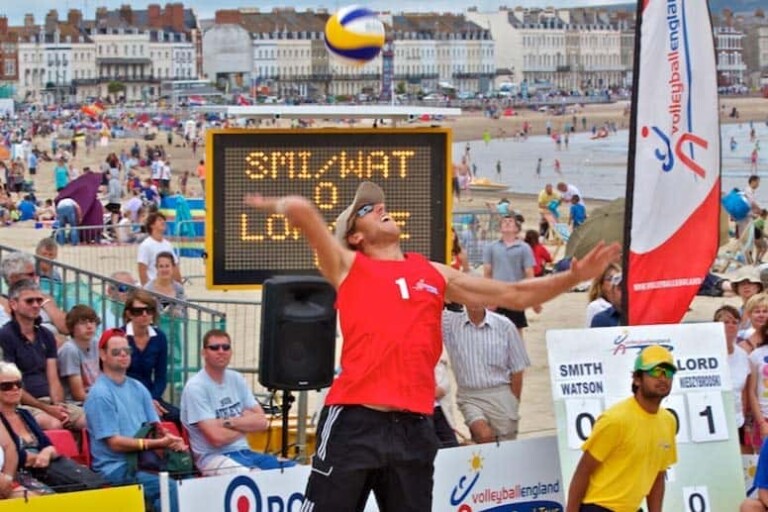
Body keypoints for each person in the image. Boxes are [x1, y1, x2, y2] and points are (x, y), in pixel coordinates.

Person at [243, 181, 618, 511]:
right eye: (366, 209)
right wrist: (287, 206)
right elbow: (308, 218)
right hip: (356, 420)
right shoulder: (348, 266)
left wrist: (574, 276)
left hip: (414, 426)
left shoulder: (432, 272)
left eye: (378, 204)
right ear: (356, 236)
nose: (379, 207)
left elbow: (514, 294)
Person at [84, 328, 184, 512]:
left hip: (143, 462)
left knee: (187, 479)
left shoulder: (138, 387)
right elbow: (115, 443)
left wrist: (172, 441)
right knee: (170, 489)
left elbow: (157, 428)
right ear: (103, 355)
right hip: (116, 468)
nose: (123, 355)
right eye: (116, 352)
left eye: (127, 351)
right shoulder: (100, 394)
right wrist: (156, 444)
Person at [567, 346, 677, 512]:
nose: (663, 378)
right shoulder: (615, 419)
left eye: (668, 373)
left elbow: (658, 477)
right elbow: (583, 471)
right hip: (599, 506)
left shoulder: (668, 421)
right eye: (655, 372)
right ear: (637, 379)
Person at [180, 329, 293, 475]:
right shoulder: (196, 387)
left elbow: (262, 422)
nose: (221, 351)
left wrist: (227, 422)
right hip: (212, 458)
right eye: (214, 347)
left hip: (244, 451)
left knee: (294, 470)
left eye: (226, 347)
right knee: (254, 478)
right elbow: (216, 438)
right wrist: (246, 423)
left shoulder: (237, 379)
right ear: (204, 353)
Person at [0, 361, 105, 494]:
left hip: (46, 469)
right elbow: (10, 456)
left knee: (90, 485)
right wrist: (35, 457)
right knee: (51, 495)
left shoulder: (24, 414)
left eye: (18, 384)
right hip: (19, 474)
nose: (15, 388)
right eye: (6, 386)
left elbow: (49, 446)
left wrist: (45, 453)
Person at [0, 280, 85, 431]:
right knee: (54, 424)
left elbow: (53, 378)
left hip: (49, 402)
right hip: (21, 404)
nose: (36, 305)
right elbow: (11, 385)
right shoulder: (5, 336)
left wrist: (57, 406)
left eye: (39, 300)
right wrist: (47, 409)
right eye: (29, 301)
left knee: (90, 420)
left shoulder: (46, 335)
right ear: (13, 304)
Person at [442, 304, 530, 443]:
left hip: (501, 393)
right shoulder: (449, 322)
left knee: (506, 446)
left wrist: (514, 401)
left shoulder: (504, 325)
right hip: (469, 395)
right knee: (483, 435)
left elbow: (517, 367)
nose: (474, 301)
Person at [122, 289, 179, 425]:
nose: (145, 314)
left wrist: (152, 399)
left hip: (150, 394)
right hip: (123, 394)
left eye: (149, 310)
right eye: (138, 311)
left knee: (179, 417)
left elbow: (161, 377)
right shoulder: (119, 336)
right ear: (129, 314)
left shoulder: (159, 337)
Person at [483, 213, 539, 337]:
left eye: (510, 221)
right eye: (504, 221)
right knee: (494, 331)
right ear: (500, 228)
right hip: (497, 295)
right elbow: (487, 273)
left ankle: (519, 356)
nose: (507, 223)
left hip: (516, 294)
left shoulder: (524, 248)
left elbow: (529, 273)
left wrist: (535, 299)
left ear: (516, 228)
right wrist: (488, 297)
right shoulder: (491, 247)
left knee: (517, 329)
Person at [715, 305, 752, 454]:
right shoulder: (707, 352)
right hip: (715, 419)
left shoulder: (743, 355)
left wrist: (745, 420)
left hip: (737, 421)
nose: (730, 325)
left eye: (735, 322)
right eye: (725, 322)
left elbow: (744, 392)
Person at [57, 305, 101, 403]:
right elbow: (78, 394)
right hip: (76, 403)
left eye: (92, 321)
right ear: (72, 327)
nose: (89, 326)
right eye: (83, 323)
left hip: (95, 396)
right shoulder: (70, 349)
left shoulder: (96, 343)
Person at [137, 212, 182, 286]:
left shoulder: (168, 245)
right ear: (152, 225)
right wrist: (147, 290)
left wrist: (179, 285)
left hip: (167, 286)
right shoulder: (145, 245)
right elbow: (142, 270)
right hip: (153, 286)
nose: (163, 222)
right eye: (159, 220)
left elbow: (175, 267)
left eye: (163, 220)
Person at [143, 252, 186, 317]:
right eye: (161, 266)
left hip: (174, 326)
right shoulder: (148, 289)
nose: (164, 269)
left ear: (173, 267)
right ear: (156, 268)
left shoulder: (178, 288)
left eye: (167, 266)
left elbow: (183, 312)